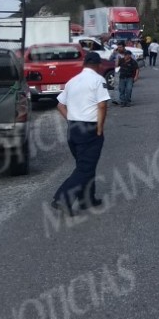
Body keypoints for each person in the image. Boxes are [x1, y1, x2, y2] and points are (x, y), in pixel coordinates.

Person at [52, 52, 110, 215]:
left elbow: (60, 105)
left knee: (84, 166)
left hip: (74, 128)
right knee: (85, 168)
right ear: (98, 66)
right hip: (90, 128)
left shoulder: (72, 81)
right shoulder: (98, 80)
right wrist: (100, 127)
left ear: (84, 64)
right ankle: (63, 198)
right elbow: (102, 106)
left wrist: (70, 120)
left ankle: (87, 200)